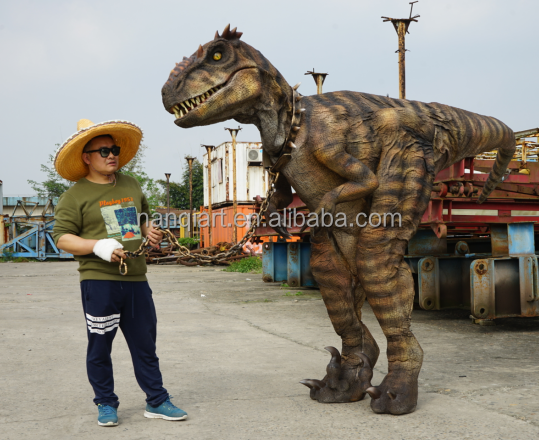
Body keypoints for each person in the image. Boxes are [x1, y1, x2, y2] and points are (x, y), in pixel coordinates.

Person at [53, 119, 187, 427]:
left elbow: (143, 218)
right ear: (87, 157)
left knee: (145, 345)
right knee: (100, 346)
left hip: (136, 280)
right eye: (103, 151)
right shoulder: (74, 196)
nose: (112, 155)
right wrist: (98, 246)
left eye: (114, 149)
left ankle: (156, 400)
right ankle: (105, 402)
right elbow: (62, 238)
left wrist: (150, 231)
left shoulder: (131, 184)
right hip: (99, 282)